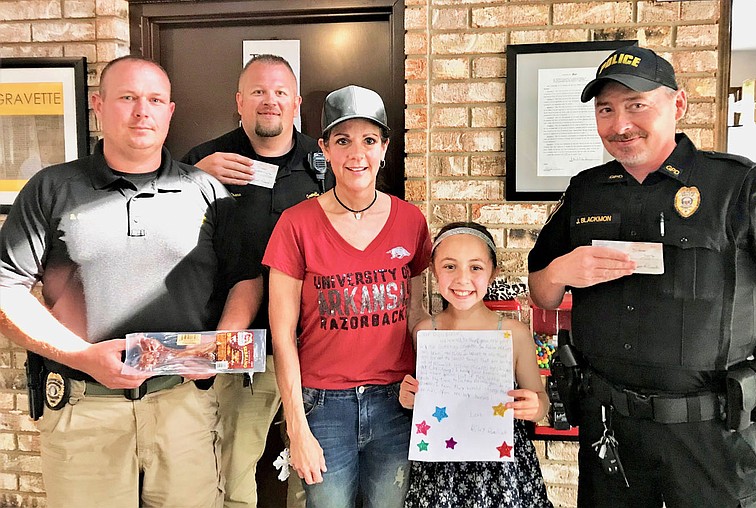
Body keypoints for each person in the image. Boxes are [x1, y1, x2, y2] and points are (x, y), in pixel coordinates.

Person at [527, 44, 756, 507]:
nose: (620, 124)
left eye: (637, 105)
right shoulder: (587, 192)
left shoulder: (740, 186)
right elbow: (542, 292)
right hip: (610, 439)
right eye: (606, 109)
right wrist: (560, 270)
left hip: (712, 441)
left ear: (678, 105)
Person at [0, 55, 260, 508]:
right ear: (99, 104)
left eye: (155, 100)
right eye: (128, 98)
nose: (143, 110)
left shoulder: (207, 191)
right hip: (85, 409)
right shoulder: (51, 188)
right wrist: (81, 355)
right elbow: (5, 289)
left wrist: (221, 344)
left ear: (170, 111)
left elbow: (245, 279)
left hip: (183, 407)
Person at [263, 84, 431, 508]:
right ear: (325, 149)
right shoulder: (295, 224)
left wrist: (441, 376)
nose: (357, 154)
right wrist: (297, 427)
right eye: (343, 141)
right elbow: (281, 334)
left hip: (396, 401)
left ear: (385, 148)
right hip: (323, 406)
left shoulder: (410, 221)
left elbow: (417, 312)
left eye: (369, 140)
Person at [183, 54, 333, 508]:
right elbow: (167, 242)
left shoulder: (323, 162)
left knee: (314, 472)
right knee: (233, 468)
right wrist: (194, 179)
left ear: (295, 104)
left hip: (314, 348)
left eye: (281, 92)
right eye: (259, 92)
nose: (270, 101)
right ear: (239, 102)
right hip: (234, 346)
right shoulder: (202, 161)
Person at [399, 222, 552, 507]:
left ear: (492, 273)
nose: (462, 279)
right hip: (440, 470)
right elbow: (419, 400)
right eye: (449, 266)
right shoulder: (423, 333)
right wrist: (408, 398)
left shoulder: (514, 334)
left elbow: (541, 402)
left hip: (502, 469)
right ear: (433, 269)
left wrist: (534, 406)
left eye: (475, 268)